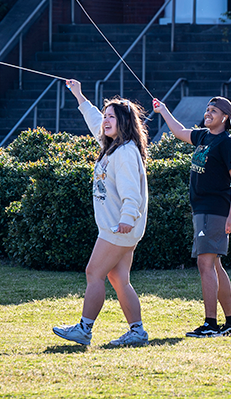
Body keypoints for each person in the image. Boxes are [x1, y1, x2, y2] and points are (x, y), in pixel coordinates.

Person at [52, 80, 150, 347]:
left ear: (125, 122)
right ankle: (137, 331)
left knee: (93, 273)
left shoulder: (126, 152)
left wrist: (126, 220)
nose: (106, 121)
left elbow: (133, 193)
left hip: (119, 228)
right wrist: (79, 95)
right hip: (119, 228)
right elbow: (95, 121)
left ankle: (84, 329)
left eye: (112, 117)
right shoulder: (113, 146)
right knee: (119, 279)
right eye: (105, 116)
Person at [152, 96, 231, 337]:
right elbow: (180, 131)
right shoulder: (204, 136)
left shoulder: (227, 143)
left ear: (225, 117)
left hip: (214, 210)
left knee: (205, 264)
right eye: (207, 109)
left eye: (213, 111)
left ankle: (211, 324)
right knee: (214, 264)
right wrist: (163, 110)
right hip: (202, 210)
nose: (208, 113)